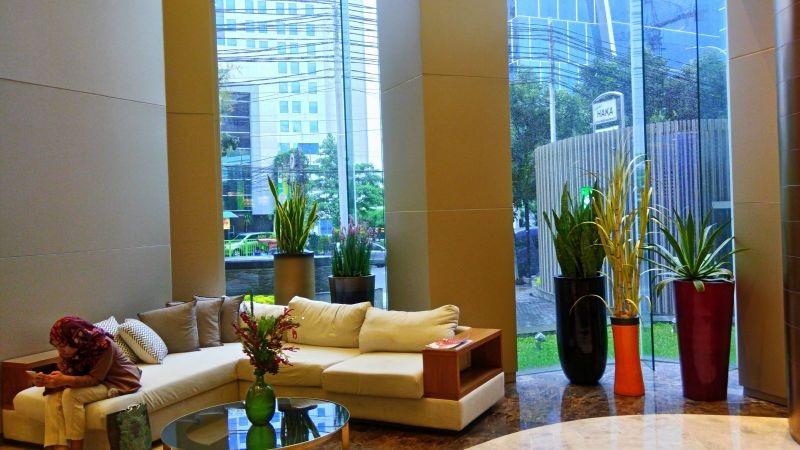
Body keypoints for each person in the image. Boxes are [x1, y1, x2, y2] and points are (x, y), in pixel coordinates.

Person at [36, 316, 142, 450]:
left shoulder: (103, 345)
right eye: (56, 346)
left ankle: (76, 448)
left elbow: (93, 379)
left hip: (117, 380)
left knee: (71, 394)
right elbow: (67, 374)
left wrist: (63, 380)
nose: (60, 351)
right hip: (95, 379)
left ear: (76, 339)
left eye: (62, 345)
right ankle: (59, 447)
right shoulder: (69, 349)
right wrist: (48, 381)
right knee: (52, 395)